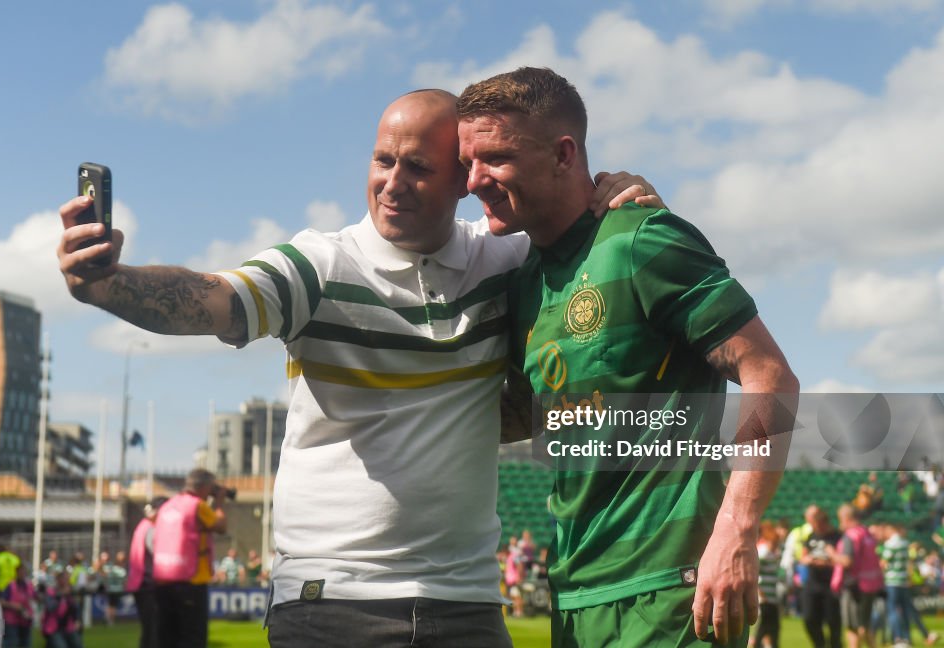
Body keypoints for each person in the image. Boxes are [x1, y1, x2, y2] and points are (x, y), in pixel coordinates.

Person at [56, 86, 657, 646]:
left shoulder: (502, 259)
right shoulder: (319, 268)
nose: (392, 183)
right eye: (382, 161)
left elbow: (585, 237)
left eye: (419, 168)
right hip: (331, 603)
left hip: (466, 604)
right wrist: (110, 285)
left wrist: (620, 193)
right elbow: (213, 298)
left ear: (464, 184)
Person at [456, 66, 798, 648]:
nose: (472, 181)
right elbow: (532, 413)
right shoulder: (525, 283)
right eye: (467, 163)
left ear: (564, 154)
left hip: (671, 594)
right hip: (574, 597)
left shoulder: (642, 240)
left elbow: (770, 374)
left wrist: (736, 533)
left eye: (494, 158)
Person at [152, 468, 227, 648]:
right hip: (192, 580)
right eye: (211, 487)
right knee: (193, 638)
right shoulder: (197, 505)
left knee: (167, 637)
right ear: (204, 487)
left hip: (163, 580)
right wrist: (219, 502)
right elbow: (220, 526)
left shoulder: (167, 505)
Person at [826, 504, 883, 648]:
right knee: (865, 625)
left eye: (840, 519)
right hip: (871, 584)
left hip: (854, 585)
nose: (840, 523)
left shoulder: (851, 536)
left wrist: (831, 554)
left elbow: (847, 561)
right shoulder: (866, 533)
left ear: (847, 518)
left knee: (853, 627)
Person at [800, 506, 843, 648]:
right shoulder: (812, 535)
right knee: (809, 618)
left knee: (833, 621)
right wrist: (810, 560)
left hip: (831, 586)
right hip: (813, 584)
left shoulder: (837, 537)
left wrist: (827, 562)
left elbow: (843, 560)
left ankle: (835, 644)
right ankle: (819, 644)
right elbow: (803, 557)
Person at [127, 496, 166, 648]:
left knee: (149, 630)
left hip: (141, 584)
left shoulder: (143, 526)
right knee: (154, 631)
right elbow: (159, 554)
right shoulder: (151, 528)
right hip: (148, 585)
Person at [751, 521, 783, 648]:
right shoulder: (763, 553)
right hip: (763, 598)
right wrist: (758, 592)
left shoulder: (773, 554)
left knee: (773, 628)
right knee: (761, 629)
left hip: (772, 598)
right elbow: (753, 573)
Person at [40, 570, 82, 648]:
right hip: (53, 627)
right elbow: (50, 608)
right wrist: (60, 595)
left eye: (67, 579)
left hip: (68, 626)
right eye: (64, 579)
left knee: (77, 644)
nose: (66, 581)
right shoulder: (51, 592)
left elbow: (76, 608)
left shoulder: (71, 594)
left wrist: (77, 620)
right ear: (58, 580)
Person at [0, 563, 35, 648]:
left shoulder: (29, 586)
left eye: (24, 572)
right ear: (17, 572)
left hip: (25, 619)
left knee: (26, 643)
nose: (22, 574)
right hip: (11, 620)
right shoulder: (11, 585)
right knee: (11, 642)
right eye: (21, 572)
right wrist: (14, 606)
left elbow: (34, 599)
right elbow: (1, 601)